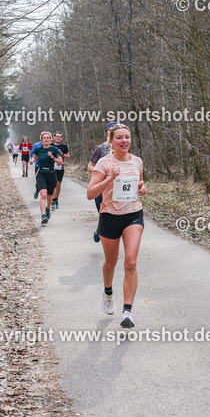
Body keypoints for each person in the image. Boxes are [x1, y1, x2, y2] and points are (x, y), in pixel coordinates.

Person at [87, 124, 146, 328]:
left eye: (127, 137)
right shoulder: (104, 163)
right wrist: (109, 179)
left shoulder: (137, 161)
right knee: (110, 263)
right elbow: (90, 193)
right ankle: (108, 292)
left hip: (133, 215)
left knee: (130, 262)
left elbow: (139, 184)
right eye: (119, 138)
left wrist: (142, 189)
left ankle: (127, 312)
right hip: (110, 216)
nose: (124, 141)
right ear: (111, 141)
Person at [87, 121, 117, 242]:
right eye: (110, 130)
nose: (112, 131)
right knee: (103, 213)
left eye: (115, 129)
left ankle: (110, 236)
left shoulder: (124, 147)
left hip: (116, 186)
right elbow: (90, 166)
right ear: (107, 133)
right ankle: (100, 229)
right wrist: (101, 173)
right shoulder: (100, 148)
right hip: (101, 186)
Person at [31, 132, 63, 224]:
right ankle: (43, 215)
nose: (46, 139)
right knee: (43, 195)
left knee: (49, 197)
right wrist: (32, 161)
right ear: (41, 140)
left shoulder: (54, 149)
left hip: (51, 174)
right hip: (41, 173)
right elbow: (35, 157)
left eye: (48, 138)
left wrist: (52, 157)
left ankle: (48, 209)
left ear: (50, 139)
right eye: (44, 138)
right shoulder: (38, 149)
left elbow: (61, 162)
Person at [51, 131, 70, 210]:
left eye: (60, 137)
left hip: (60, 167)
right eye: (57, 136)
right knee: (53, 184)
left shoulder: (64, 146)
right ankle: (52, 200)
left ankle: (56, 199)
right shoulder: (50, 145)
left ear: (62, 138)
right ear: (54, 138)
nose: (58, 138)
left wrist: (62, 154)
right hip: (51, 167)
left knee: (58, 185)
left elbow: (68, 157)